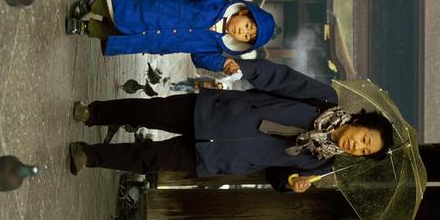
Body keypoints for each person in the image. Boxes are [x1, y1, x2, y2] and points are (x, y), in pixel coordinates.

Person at [68, 58, 394, 190]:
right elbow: (282, 80)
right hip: (217, 112)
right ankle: (94, 113)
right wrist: (246, 67)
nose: (358, 146)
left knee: (149, 160)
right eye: (365, 138)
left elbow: (275, 173)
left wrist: (293, 181)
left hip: (217, 158)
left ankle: (90, 156)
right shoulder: (322, 99)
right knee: (150, 112)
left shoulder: (321, 162)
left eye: (364, 151)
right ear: (361, 122)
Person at [65, 0, 275, 73]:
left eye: (246, 37)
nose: (241, 31)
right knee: (125, 11)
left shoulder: (214, 47)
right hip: (158, 9)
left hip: (157, 41)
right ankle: (93, 4)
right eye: (247, 26)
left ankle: (86, 28)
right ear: (245, 12)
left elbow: (201, 60)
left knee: (122, 37)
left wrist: (222, 64)